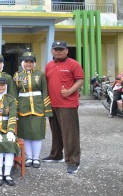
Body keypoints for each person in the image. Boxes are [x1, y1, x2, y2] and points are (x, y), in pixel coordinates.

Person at [44, 40, 84, 174]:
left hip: (68, 104)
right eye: (56, 49)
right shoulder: (49, 65)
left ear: (67, 50)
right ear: (51, 51)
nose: (58, 51)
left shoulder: (74, 64)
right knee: (55, 133)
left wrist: (70, 91)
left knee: (70, 135)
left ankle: (73, 161)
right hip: (52, 104)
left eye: (61, 49)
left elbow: (80, 80)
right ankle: (56, 155)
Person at [14, 52, 52, 169]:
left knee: (37, 134)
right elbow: (14, 94)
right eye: (26, 61)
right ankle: (29, 157)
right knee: (25, 134)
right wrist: (14, 110)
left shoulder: (40, 75)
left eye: (31, 62)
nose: (28, 64)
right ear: (22, 63)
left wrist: (47, 110)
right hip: (23, 108)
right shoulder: (17, 76)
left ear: (34, 63)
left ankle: (36, 158)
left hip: (38, 107)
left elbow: (45, 91)